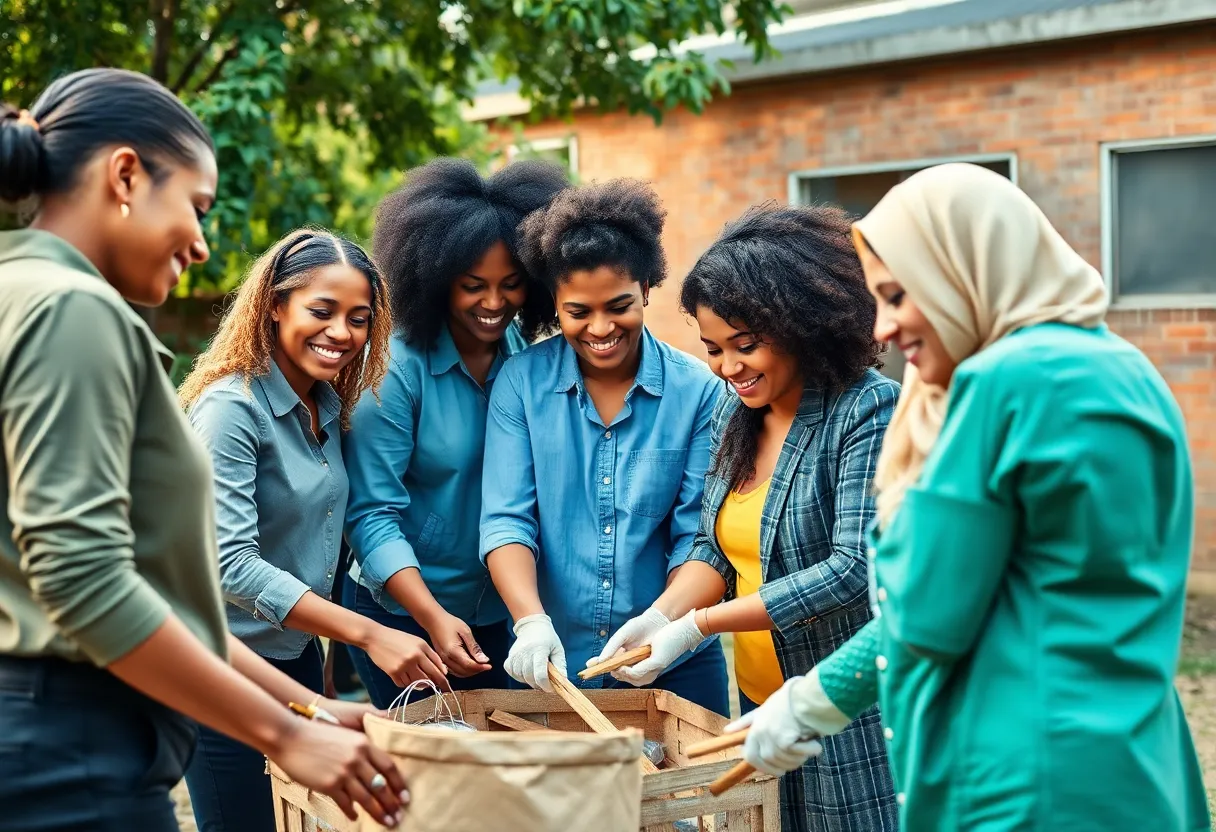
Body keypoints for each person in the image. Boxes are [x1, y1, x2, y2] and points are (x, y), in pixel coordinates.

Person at [729, 163, 1212, 830]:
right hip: (1137, 758)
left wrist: (811, 699)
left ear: (963, 269)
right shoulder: (1128, 370)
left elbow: (926, 612)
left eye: (898, 296)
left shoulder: (1001, 383)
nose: (884, 330)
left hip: (1019, 771)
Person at [0, 69, 406, 832]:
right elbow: (82, 576)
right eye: (195, 206)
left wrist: (310, 706)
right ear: (125, 174)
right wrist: (285, 734)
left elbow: (161, 597)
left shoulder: (18, 287)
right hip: (67, 752)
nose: (201, 242)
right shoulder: (73, 310)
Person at [595, 203, 899, 830]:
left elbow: (852, 569)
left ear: (801, 324)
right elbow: (713, 549)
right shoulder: (734, 417)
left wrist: (700, 626)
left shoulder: (866, 410)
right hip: (759, 698)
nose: (728, 368)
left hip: (846, 709)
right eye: (713, 349)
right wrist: (661, 617)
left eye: (746, 345)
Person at [177, 229, 439, 831]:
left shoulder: (325, 405)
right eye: (321, 311)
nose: (342, 333)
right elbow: (229, 563)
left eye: (358, 318)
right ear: (274, 305)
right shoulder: (230, 410)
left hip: (293, 659)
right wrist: (369, 635)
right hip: (223, 666)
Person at [480, 178, 730, 715]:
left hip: (674, 661)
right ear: (555, 304)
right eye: (578, 312)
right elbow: (506, 519)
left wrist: (664, 624)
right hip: (551, 664)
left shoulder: (701, 393)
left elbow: (703, 536)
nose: (600, 328)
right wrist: (529, 621)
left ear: (646, 289)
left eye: (618, 306)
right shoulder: (520, 384)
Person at [342, 158, 569, 708]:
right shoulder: (397, 366)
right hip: (403, 613)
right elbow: (371, 513)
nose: (494, 304)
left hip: (498, 613)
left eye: (511, 285)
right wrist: (431, 617)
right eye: (473, 286)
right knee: (434, 779)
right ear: (437, 277)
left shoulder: (526, 359)